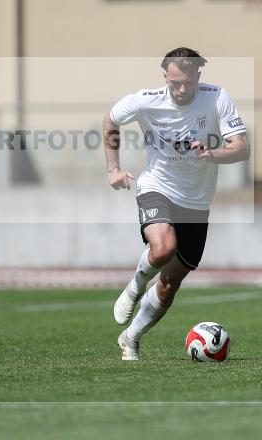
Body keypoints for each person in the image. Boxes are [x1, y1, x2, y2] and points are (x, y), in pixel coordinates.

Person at [104, 47, 250, 361]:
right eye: (175, 83)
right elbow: (111, 120)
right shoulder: (146, 99)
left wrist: (214, 153)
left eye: (187, 83)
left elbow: (241, 149)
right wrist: (113, 169)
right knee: (163, 247)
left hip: (197, 203)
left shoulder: (216, 98)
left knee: (170, 284)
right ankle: (135, 286)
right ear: (165, 78)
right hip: (157, 187)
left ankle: (131, 338)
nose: (181, 90)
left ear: (198, 76)